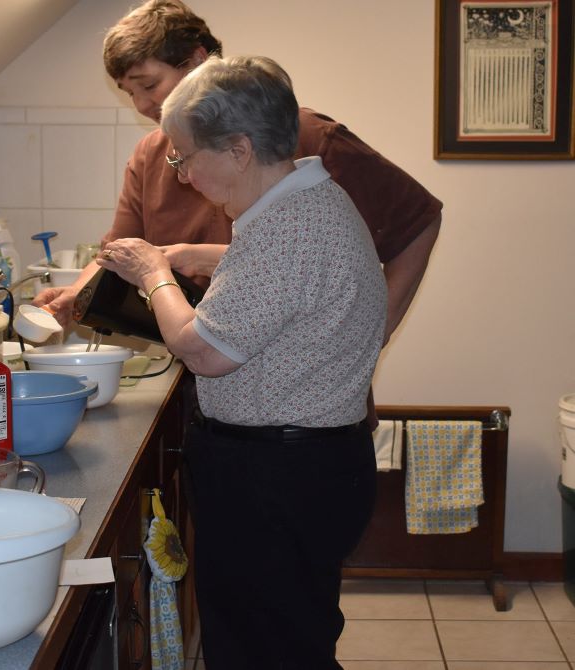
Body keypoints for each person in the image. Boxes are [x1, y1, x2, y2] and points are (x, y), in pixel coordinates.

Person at [97, 54, 385, 670]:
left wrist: (153, 274)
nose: (180, 172)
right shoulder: (304, 203)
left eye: (185, 156)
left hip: (280, 476)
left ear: (239, 150)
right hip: (304, 467)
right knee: (289, 639)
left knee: (267, 651)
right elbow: (280, 280)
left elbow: (203, 350)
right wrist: (193, 255)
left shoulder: (288, 226)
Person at [34, 0, 441, 348]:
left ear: (197, 61)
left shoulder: (309, 136)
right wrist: (74, 295)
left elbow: (417, 220)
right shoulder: (149, 155)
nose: (142, 105)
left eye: (149, 84)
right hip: (204, 378)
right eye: (129, 92)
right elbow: (120, 251)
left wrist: (373, 331)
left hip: (301, 399)